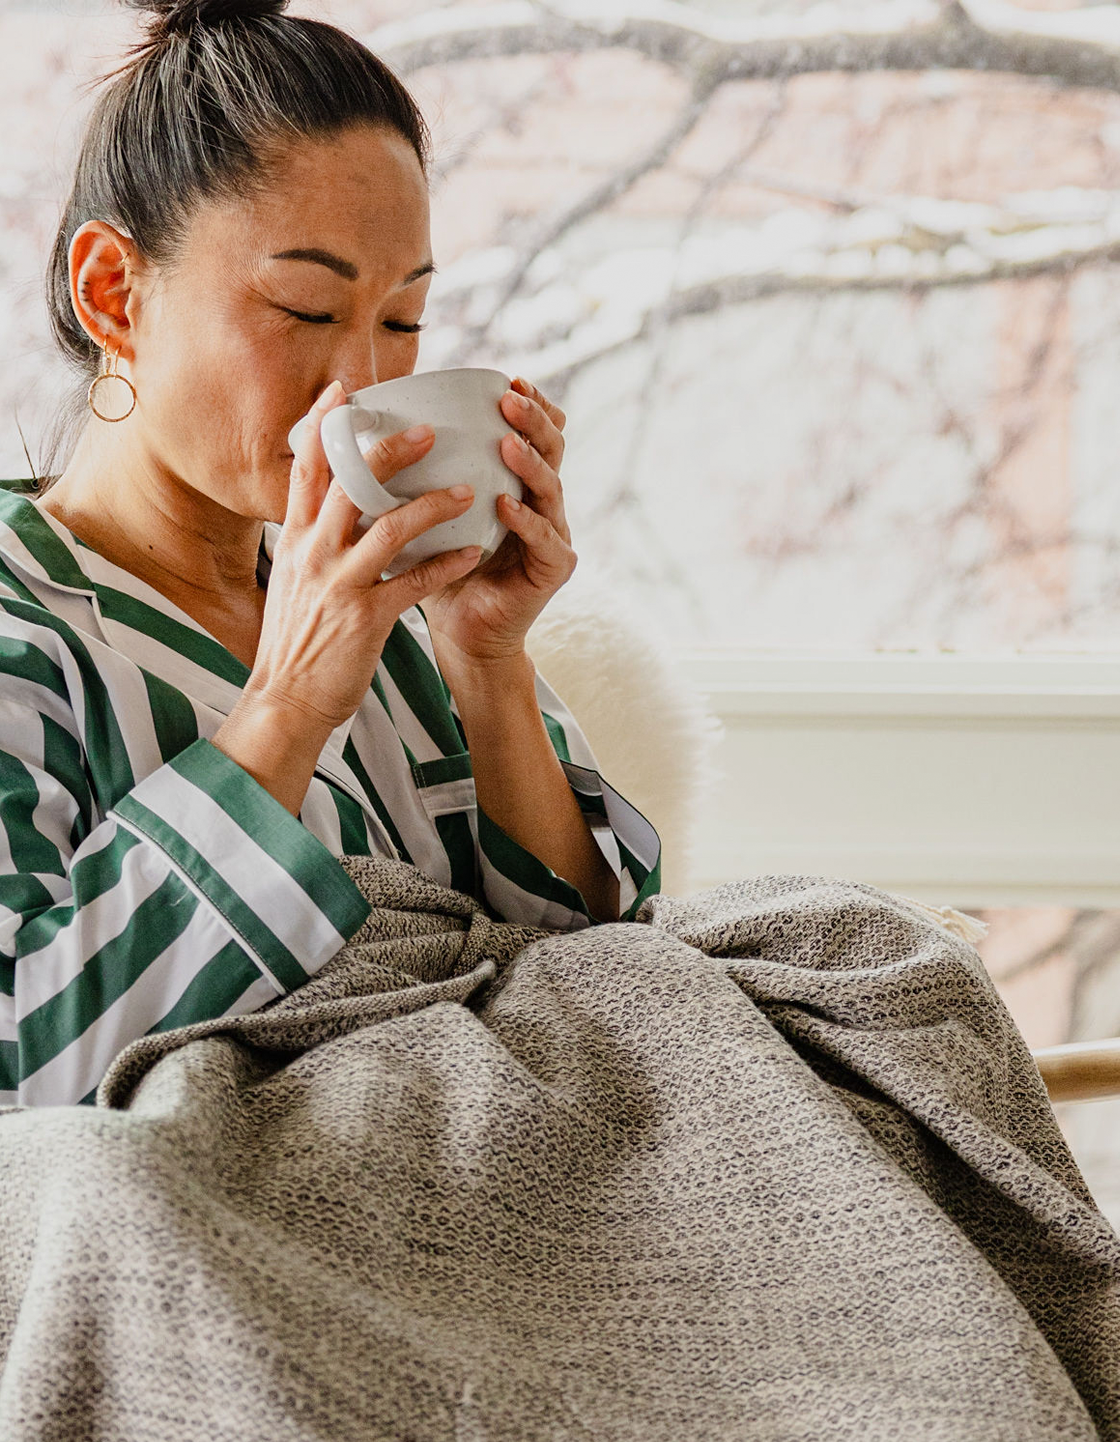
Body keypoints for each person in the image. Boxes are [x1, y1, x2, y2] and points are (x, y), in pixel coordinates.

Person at [0, 0, 662, 1108]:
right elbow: (26, 1057)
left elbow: (602, 982)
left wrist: (488, 661)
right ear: (114, 293)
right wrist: (292, 702)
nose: (359, 380)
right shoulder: (26, 619)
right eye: (305, 308)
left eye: (402, 321)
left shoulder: (396, 605)